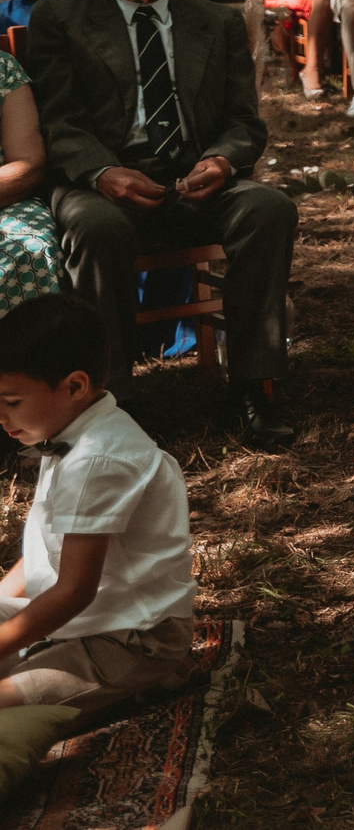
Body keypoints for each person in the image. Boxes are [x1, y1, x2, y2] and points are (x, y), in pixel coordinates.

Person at [33, 0, 299, 448]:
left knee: (269, 208)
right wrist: (104, 171)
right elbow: (57, 122)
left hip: (194, 182)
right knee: (95, 227)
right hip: (101, 183)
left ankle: (253, 385)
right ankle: (111, 405)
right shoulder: (61, 20)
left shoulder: (216, 20)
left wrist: (222, 161)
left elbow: (245, 122)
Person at [0, 295, 196, 718]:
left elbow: (75, 591)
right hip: (80, 621)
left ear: (74, 386)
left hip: (131, 639)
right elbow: (48, 549)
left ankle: (155, 675)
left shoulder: (97, 462)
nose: (1, 415)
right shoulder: (70, 428)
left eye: (12, 402)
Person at [0, 35, 60, 313]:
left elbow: (28, 164)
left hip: (7, 198)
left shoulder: (3, 68)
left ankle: (28, 357)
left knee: (30, 250)